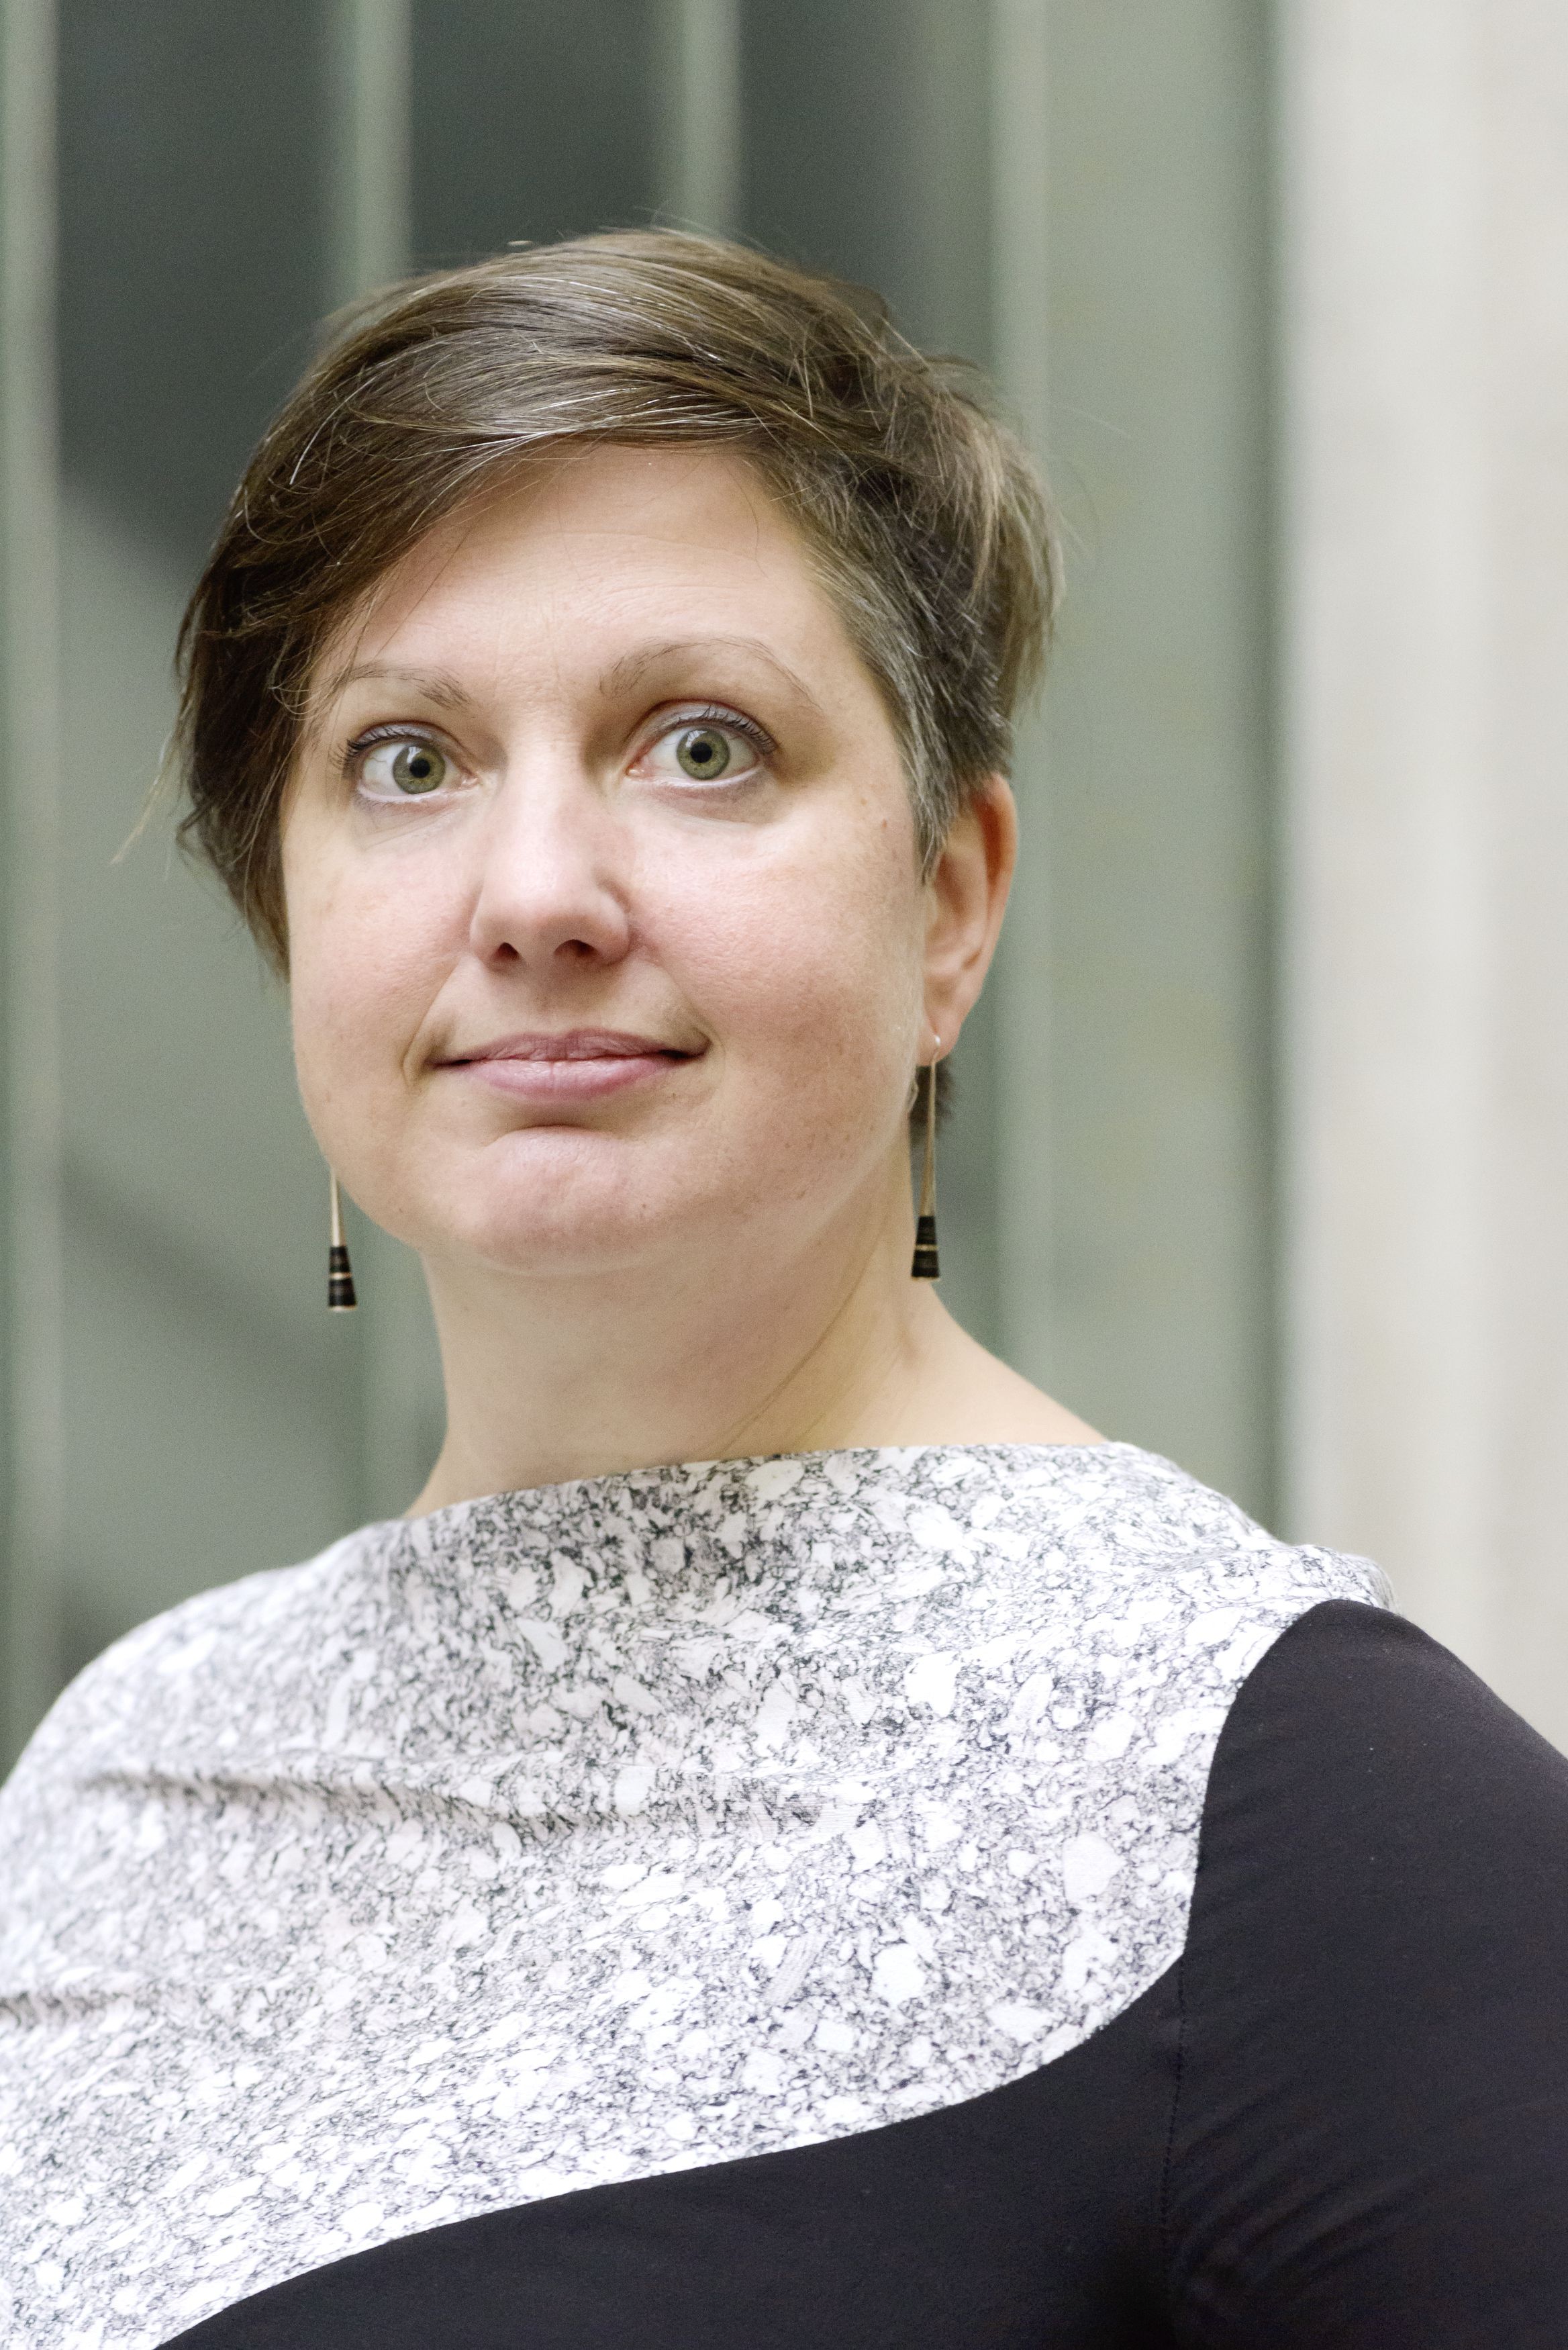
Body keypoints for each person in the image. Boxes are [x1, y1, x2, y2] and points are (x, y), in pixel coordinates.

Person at [0, 230, 1564, 2350]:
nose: (537, 893)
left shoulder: (1283, 1798)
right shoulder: (122, 1784)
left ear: (951, 902)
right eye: (409, 761)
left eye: (701, 745)